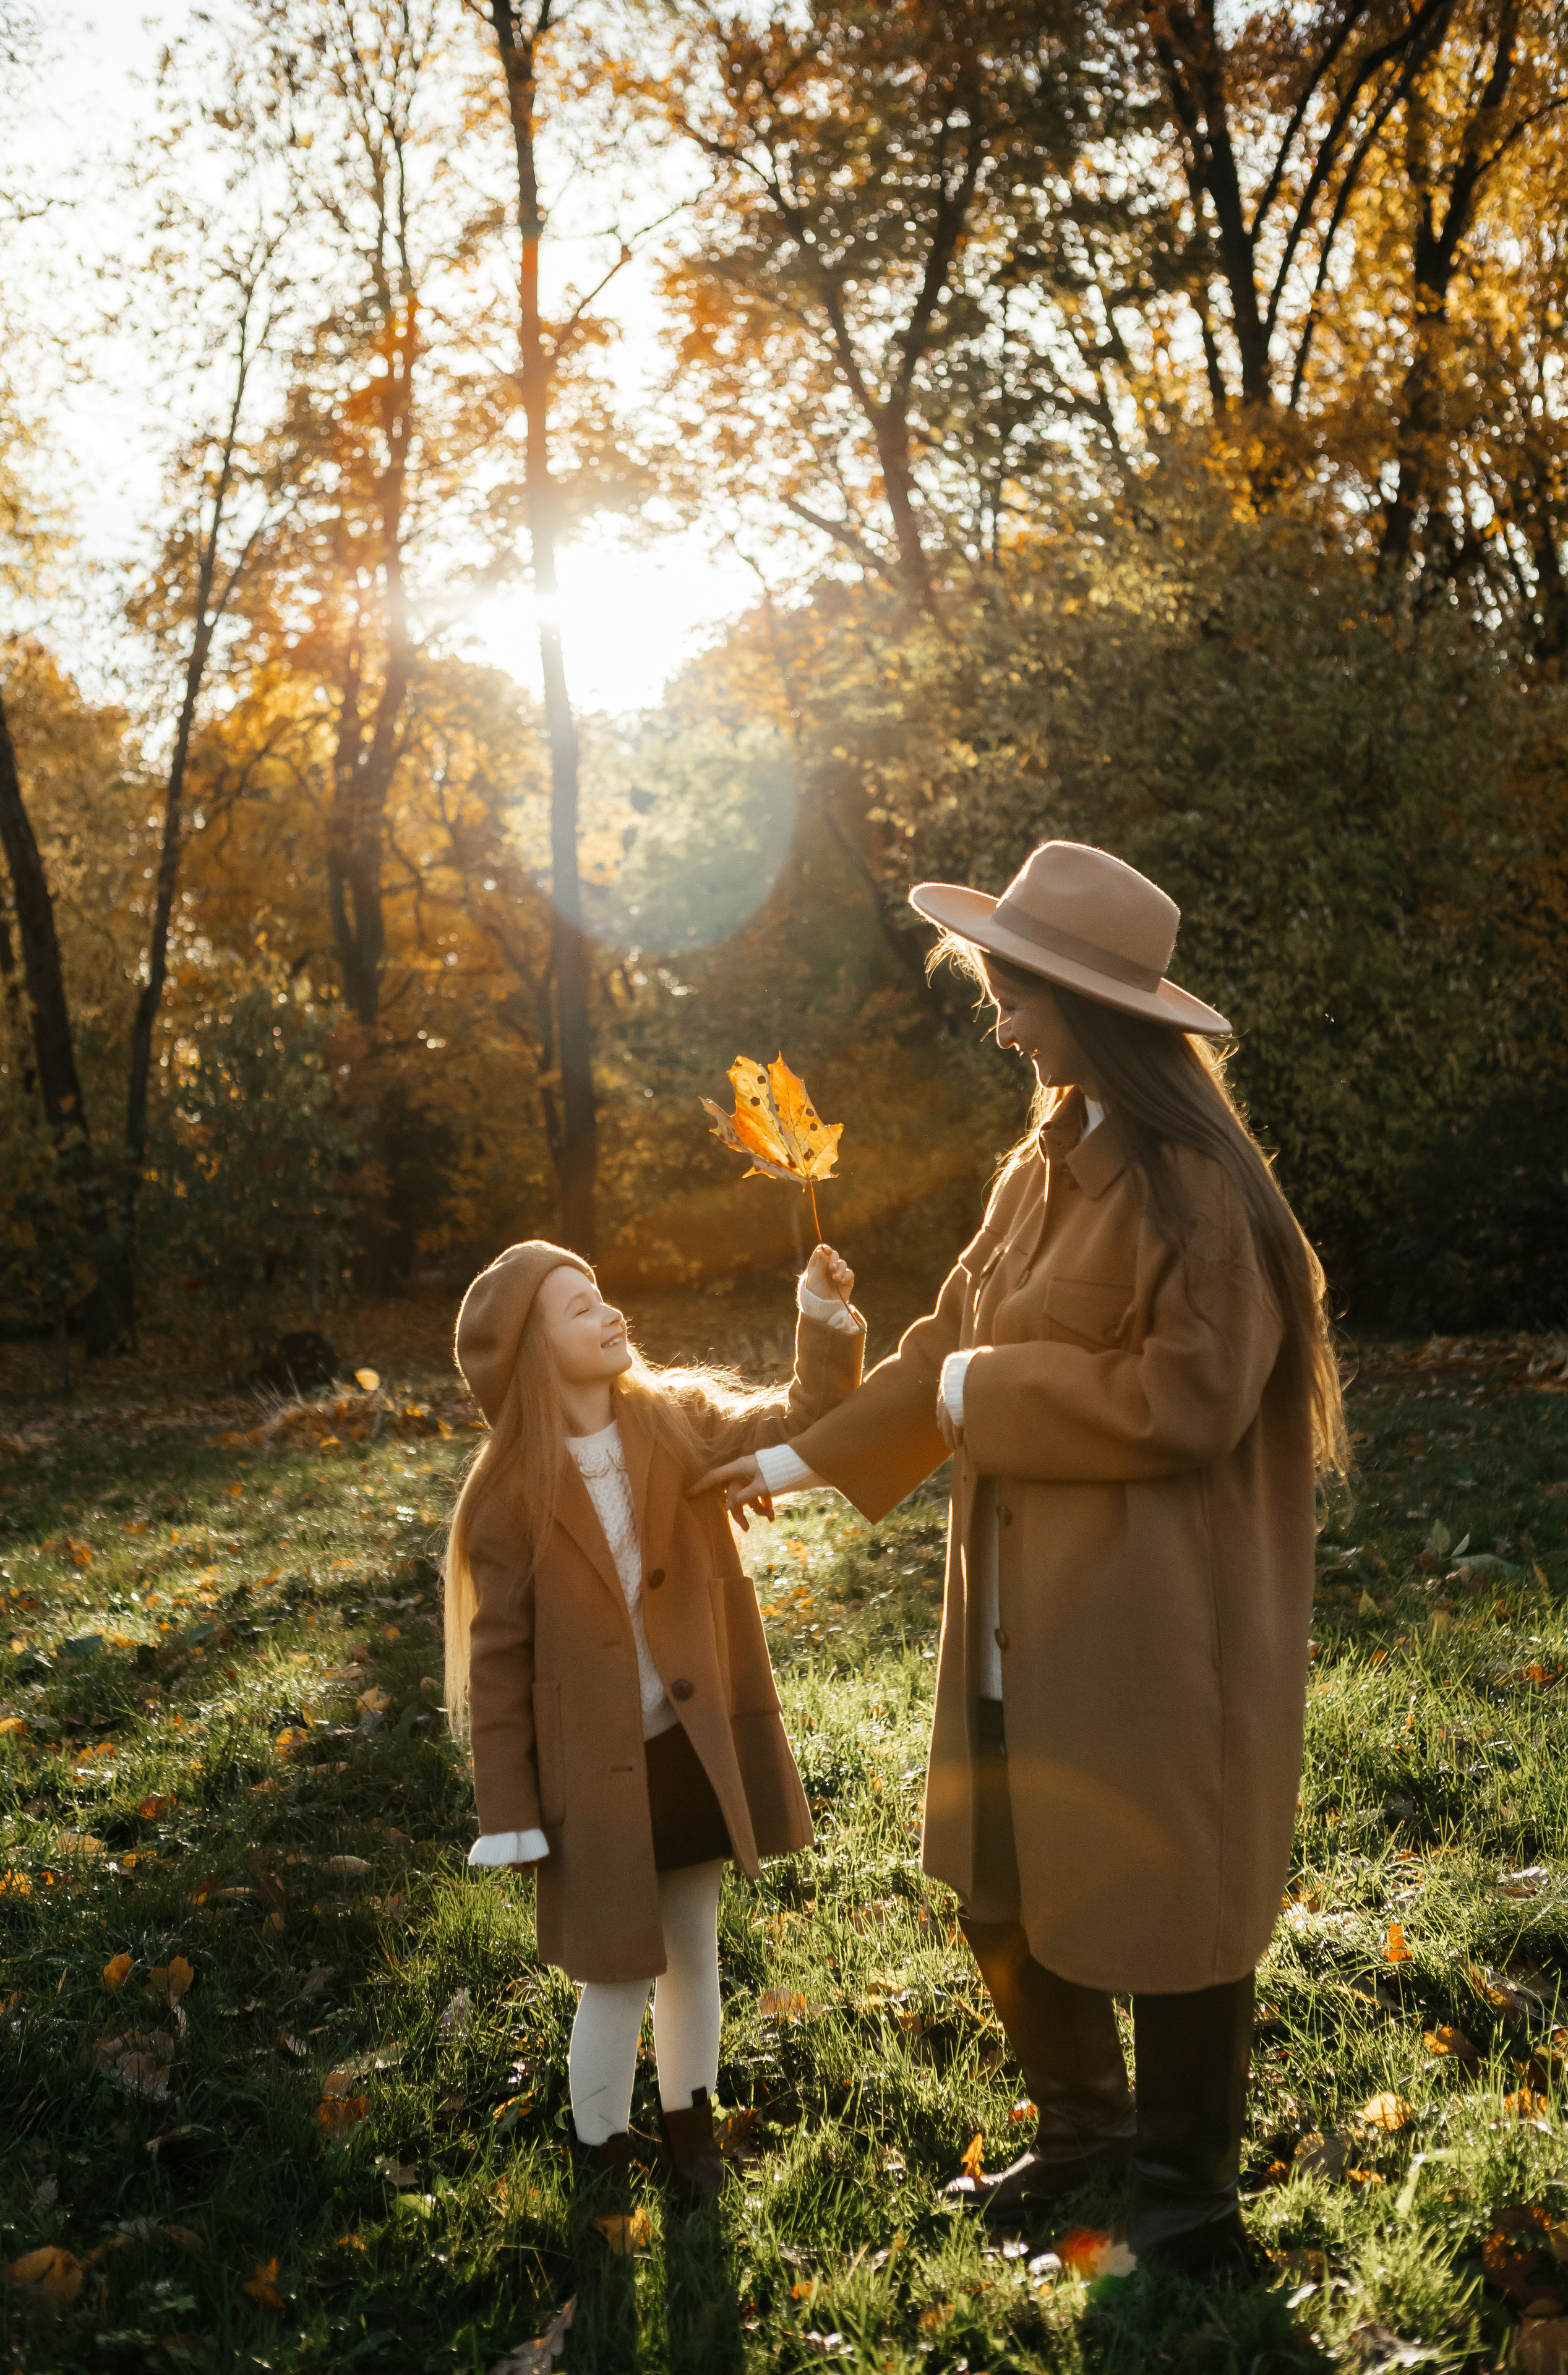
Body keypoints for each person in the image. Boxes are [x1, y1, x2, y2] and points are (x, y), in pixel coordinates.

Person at [693, 841, 1347, 2274]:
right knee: (997, 1864)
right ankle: (1079, 2141)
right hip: (1013, 1593)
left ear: (1086, 1005)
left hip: (1149, 1609)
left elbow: (1184, 1402)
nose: (997, 1021)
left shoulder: (1198, 1191)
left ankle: (1184, 2204)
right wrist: (801, 1460)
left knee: (1169, 1885)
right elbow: (942, 1346)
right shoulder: (1036, 1162)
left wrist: (974, 1397)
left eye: (1012, 995)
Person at [443, 1237, 862, 2202]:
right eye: (580, 1308)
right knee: (617, 1970)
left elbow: (800, 1412)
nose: (610, 1313)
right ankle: (598, 2148)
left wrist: (821, 1312)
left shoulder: (676, 1421)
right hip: (591, 1773)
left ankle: (691, 2131)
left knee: (693, 1949)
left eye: (602, 1294)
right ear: (536, 1354)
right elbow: (499, 1665)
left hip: (688, 1745)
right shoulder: (510, 1497)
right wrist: (508, 1809)